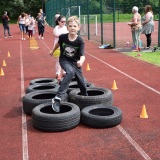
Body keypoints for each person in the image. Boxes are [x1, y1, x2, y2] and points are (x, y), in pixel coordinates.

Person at [49, 16, 88, 112]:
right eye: (70, 26)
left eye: (75, 26)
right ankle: (57, 98)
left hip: (76, 62)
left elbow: (83, 55)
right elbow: (58, 43)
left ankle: (85, 98)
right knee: (70, 72)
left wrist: (80, 61)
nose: (72, 28)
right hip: (64, 60)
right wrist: (52, 50)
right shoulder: (63, 37)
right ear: (67, 27)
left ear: (78, 28)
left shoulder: (80, 40)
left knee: (82, 83)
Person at [52, 15, 68, 80]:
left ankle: (64, 72)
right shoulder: (56, 28)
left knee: (65, 61)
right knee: (58, 61)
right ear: (58, 21)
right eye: (62, 21)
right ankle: (58, 73)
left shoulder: (66, 28)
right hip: (58, 47)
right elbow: (56, 35)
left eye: (65, 21)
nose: (64, 23)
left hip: (65, 47)